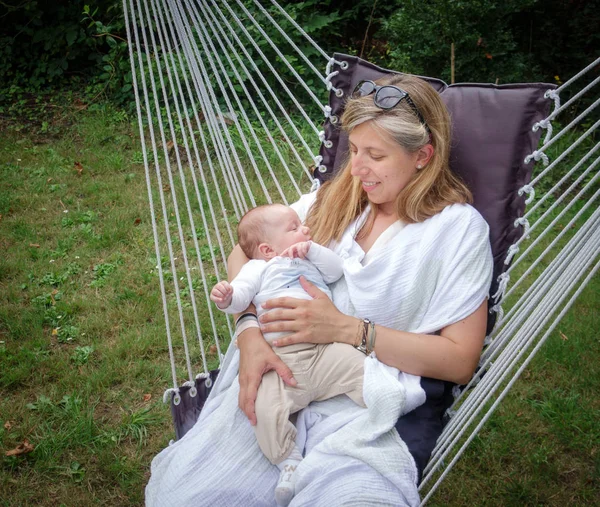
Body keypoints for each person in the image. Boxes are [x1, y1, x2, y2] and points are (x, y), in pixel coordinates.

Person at [145, 74, 493, 506]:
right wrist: (249, 331)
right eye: (355, 150)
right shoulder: (336, 199)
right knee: (196, 495)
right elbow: (245, 252)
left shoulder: (457, 231)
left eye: (376, 155)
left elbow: (460, 361)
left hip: (363, 400)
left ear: (423, 156)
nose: (357, 167)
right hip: (278, 376)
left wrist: (348, 330)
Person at [210, 203, 366, 506]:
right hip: (280, 362)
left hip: (323, 350)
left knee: (362, 369)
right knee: (262, 410)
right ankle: (288, 461)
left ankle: (384, 401)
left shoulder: (310, 258)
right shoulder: (258, 268)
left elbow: (335, 271)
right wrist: (227, 297)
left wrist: (311, 249)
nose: (305, 229)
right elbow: (241, 295)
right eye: (294, 228)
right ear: (267, 249)